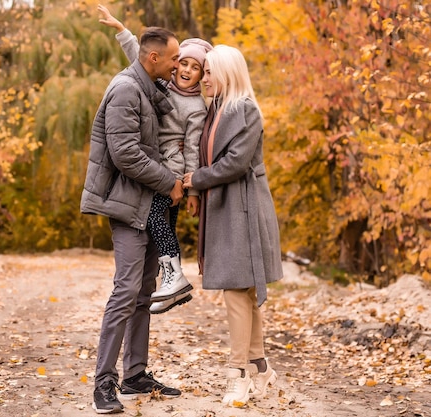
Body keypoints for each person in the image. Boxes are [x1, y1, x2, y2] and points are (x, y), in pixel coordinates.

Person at [80, 26, 185, 414]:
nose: (178, 65)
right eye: (174, 58)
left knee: (144, 291)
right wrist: (169, 182)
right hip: (128, 206)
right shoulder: (126, 90)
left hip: (149, 203)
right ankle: (104, 385)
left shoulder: (147, 86)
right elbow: (124, 153)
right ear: (153, 58)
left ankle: (135, 374)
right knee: (125, 293)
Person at [182, 45, 284, 406]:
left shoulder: (246, 110)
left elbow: (236, 164)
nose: (203, 78)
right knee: (244, 293)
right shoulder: (214, 110)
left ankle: (238, 373)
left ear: (227, 72)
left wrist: (196, 180)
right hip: (223, 208)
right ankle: (260, 369)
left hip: (244, 209)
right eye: (204, 71)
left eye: (209, 71)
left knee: (237, 293)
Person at [98, 5, 213, 314]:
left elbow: (193, 150)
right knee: (161, 226)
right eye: (182, 63)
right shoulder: (162, 84)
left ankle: (173, 277)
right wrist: (122, 30)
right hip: (156, 167)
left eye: (195, 68)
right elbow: (140, 56)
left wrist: (193, 190)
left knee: (158, 223)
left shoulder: (197, 109)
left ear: (203, 75)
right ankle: (172, 279)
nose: (186, 70)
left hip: (171, 170)